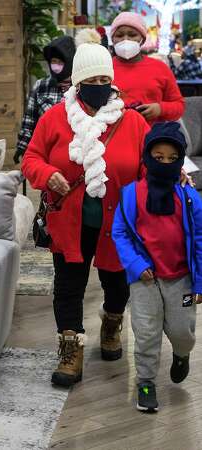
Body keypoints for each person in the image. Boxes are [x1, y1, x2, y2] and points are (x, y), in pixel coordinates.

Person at [21, 30, 150, 387]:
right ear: (77, 82)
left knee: (117, 285)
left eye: (104, 79)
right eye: (91, 80)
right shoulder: (55, 119)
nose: (99, 86)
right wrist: (48, 174)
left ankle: (111, 325)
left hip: (119, 224)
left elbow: (147, 168)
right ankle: (71, 347)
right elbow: (30, 159)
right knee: (68, 287)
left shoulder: (133, 122)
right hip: (70, 222)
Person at [112, 122, 202, 413]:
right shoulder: (130, 194)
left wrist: (200, 282)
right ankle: (146, 383)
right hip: (145, 280)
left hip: (183, 280)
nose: (164, 162)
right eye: (158, 156)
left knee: (182, 331)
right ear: (148, 157)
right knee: (146, 332)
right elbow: (121, 232)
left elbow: (200, 240)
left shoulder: (190, 197)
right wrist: (136, 265)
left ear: (181, 160)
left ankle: (181, 354)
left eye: (172, 158)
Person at [111, 12, 185, 125]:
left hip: (153, 136)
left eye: (132, 35)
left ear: (143, 39)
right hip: (113, 135)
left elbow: (179, 106)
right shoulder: (104, 68)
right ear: (113, 39)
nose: (125, 39)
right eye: (119, 35)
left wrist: (160, 109)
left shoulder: (160, 68)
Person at [15, 35, 76, 163]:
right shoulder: (41, 86)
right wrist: (22, 147)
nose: (56, 66)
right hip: (46, 152)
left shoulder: (80, 87)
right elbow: (30, 120)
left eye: (60, 62)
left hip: (74, 152)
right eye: (53, 62)